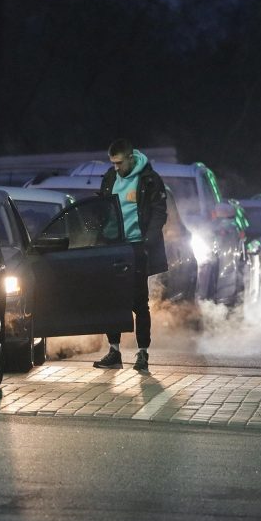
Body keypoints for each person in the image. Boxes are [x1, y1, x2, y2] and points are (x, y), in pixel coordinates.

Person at [93, 139, 167, 372]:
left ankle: (142, 354)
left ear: (131, 158)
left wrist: (148, 241)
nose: (116, 167)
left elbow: (159, 212)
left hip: (136, 247)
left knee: (139, 302)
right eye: (112, 163)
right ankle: (114, 352)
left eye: (119, 163)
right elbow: (102, 208)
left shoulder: (149, 179)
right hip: (114, 247)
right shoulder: (110, 178)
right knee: (111, 299)